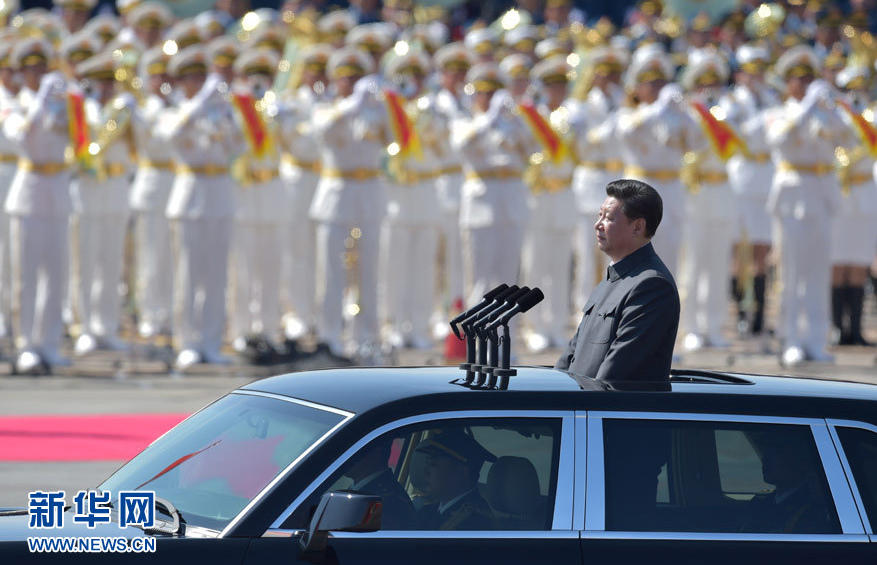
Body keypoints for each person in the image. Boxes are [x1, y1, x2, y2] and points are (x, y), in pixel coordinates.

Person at [160, 45, 244, 370]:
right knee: (188, 275)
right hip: (190, 194)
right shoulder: (177, 109)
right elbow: (170, 134)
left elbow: (241, 145)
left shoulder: (219, 109)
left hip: (220, 195)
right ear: (182, 82)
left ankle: (211, 341)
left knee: (217, 276)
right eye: (191, 78)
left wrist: (226, 116)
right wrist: (198, 105)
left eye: (201, 77)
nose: (197, 82)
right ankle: (188, 342)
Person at [764, 46, 847, 366]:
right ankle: (791, 339)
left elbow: (849, 137)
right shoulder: (779, 113)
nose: (807, 84)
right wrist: (809, 105)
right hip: (792, 196)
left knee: (817, 272)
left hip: (822, 194)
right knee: (792, 271)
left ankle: (816, 339)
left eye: (810, 77)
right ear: (788, 83)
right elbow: (780, 140)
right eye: (800, 78)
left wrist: (833, 105)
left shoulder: (824, 111)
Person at [556, 179, 679, 384]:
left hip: (609, 411)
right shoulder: (613, 278)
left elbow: (616, 372)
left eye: (609, 218)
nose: (598, 225)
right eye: (600, 215)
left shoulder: (651, 286)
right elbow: (571, 356)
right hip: (582, 406)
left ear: (638, 227)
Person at [4, 38, 73, 373]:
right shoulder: (14, 105)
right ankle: (27, 345)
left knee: (56, 275)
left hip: (58, 191)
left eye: (42, 68)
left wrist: (69, 101)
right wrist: (42, 100)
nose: (38, 74)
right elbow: (23, 135)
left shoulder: (62, 105)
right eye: (31, 70)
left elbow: (84, 139)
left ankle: (50, 343)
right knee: (27, 277)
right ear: (22, 74)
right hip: (29, 192)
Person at [415, 429, 496, 531]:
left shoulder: (475, 525)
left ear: (462, 472)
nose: (426, 472)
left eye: (433, 464)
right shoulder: (427, 511)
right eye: (427, 464)